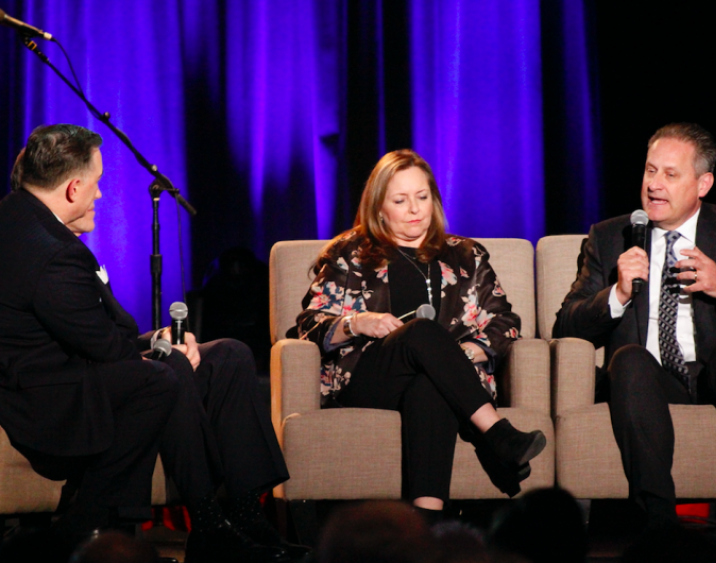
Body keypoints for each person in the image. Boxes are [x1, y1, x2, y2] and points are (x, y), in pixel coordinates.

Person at [0, 124, 308, 563]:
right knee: (166, 373)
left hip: (82, 368)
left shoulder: (23, 216)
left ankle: (246, 516)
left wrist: (158, 339)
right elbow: (106, 348)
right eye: (97, 183)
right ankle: (206, 524)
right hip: (53, 398)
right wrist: (160, 351)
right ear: (72, 188)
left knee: (230, 355)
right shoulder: (49, 250)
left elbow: (98, 336)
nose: (100, 194)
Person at [553, 123, 716, 545]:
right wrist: (616, 293)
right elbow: (566, 326)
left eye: (670, 174)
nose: (654, 185)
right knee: (629, 359)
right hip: (649, 380)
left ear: (703, 184)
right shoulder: (610, 236)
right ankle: (658, 523)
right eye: (650, 171)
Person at [294, 149, 546, 514]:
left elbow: (505, 322)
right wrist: (356, 322)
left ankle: (427, 523)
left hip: (446, 383)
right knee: (420, 333)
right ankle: (498, 434)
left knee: (430, 382)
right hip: (371, 379)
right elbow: (307, 323)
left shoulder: (467, 255)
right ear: (379, 208)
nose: (414, 209)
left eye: (422, 197)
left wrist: (459, 355)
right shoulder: (349, 254)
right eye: (400, 200)